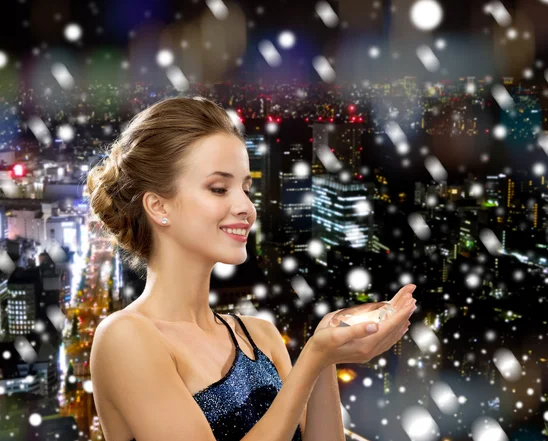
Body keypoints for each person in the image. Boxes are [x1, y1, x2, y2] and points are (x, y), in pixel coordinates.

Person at [87, 96, 418, 441]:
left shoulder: (260, 336)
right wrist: (313, 358)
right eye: (219, 189)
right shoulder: (125, 338)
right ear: (158, 206)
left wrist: (326, 357)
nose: (246, 207)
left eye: (246, 188)